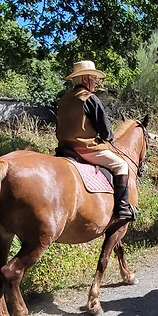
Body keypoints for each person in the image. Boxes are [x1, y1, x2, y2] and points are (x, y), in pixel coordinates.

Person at [55, 60, 136, 222]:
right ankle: (122, 207)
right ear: (86, 79)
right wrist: (109, 138)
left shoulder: (63, 100)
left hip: (64, 148)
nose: (96, 82)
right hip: (86, 149)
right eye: (94, 78)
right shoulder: (89, 98)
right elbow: (105, 130)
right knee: (121, 165)